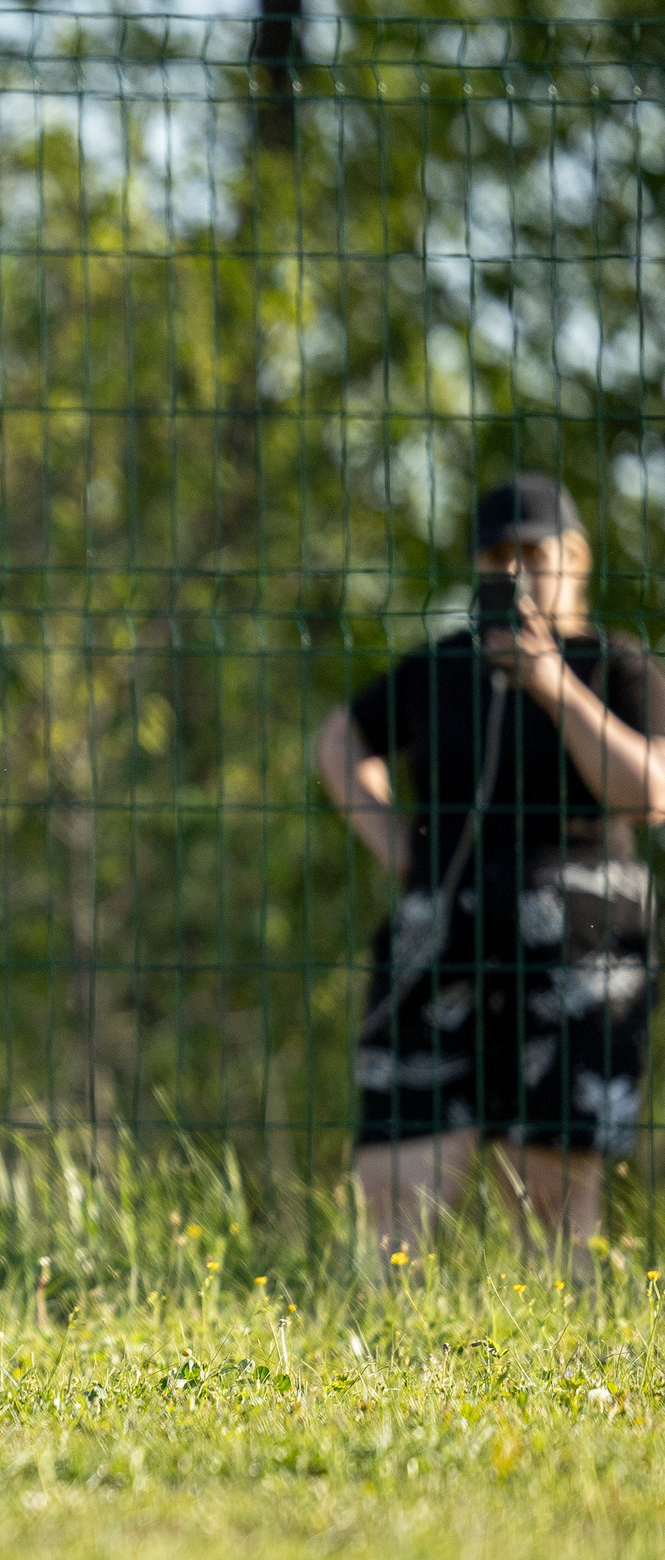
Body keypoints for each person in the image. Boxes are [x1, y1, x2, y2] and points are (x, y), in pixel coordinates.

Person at [317, 474, 665, 1264]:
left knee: (554, 1182)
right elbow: (340, 739)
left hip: (578, 938)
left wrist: (549, 682)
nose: (517, 572)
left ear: (575, 558)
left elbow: (649, 790)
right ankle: (383, 1326)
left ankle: (560, 1330)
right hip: (445, 921)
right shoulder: (440, 667)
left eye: (534, 553)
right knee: (398, 1157)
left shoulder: (616, 664)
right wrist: (395, 843)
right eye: (497, 556)